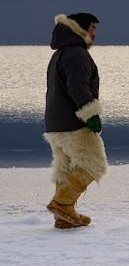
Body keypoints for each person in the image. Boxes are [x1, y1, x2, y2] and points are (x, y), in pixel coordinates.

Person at [44, 13, 108, 229]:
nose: (94, 33)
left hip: (55, 124)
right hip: (74, 124)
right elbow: (78, 88)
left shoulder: (60, 54)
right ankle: (62, 204)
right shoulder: (77, 54)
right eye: (91, 28)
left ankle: (63, 217)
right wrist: (91, 114)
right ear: (78, 29)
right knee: (93, 164)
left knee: (66, 168)